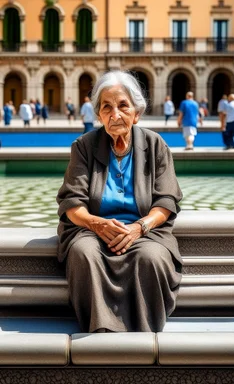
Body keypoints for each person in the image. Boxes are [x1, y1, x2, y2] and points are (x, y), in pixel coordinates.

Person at [56, 70, 183, 333]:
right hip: (92, 230)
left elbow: (167, 200)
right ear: (99, 115)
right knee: (84, 254)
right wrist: (97, 224)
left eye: (123, 105)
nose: (115, 114)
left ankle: (144, 334)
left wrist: (139, 227)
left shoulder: (155, 144)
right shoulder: (84, 146)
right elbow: (72, 202)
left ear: (136, 112)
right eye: (107, 107)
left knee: (151, 257)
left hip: (145, 233)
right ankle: (100, 334)